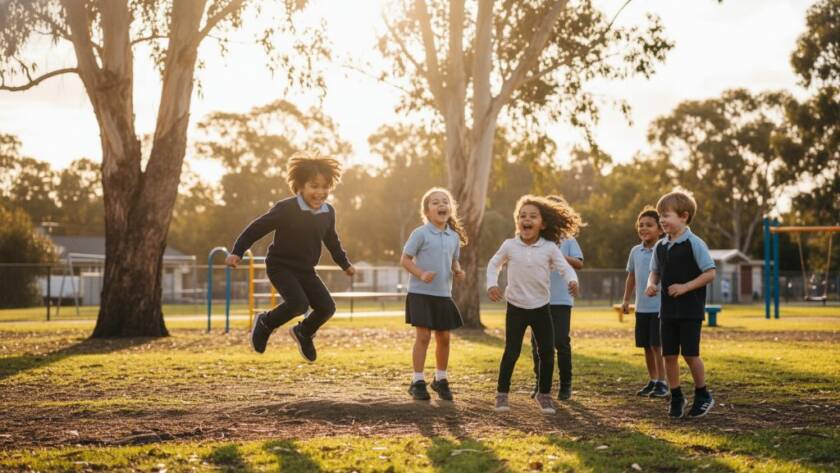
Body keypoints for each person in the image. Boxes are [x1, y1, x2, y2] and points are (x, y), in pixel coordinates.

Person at [225, 152, 355, 362]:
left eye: (325, 187)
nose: (320, 192)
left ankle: (303, 332)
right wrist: (237, 251)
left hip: (305, 270)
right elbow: (257, 229)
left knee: (327, 307)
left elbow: (332, 240)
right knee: (298, 304)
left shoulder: (327, 212)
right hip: (280, 266)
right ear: (300, 186)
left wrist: (344, 264)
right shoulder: (286, 209)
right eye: (314, 186)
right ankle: (265, 323)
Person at [487, 195, 581, 415]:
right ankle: (502, 395)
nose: (526, 219)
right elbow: (493, 265)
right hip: (516, 307)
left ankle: (544, 395)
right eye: (522, 216)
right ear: (517, 221)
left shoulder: (549, 247)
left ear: (543, 224)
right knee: (512, 351)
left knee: (547, 351)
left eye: (532, 216)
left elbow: (564, 268)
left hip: (541, 308)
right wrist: (492, 284)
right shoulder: (510, 245)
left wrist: (572, 280)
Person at [645, 189, 716, 418]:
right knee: (669, 355)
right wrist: (651, 284)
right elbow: (654, 272)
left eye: (666, 215)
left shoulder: (695, 243)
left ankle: (703, 394)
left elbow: (710, 273)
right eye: (660, 216)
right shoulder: (660, 246)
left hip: (690, 311)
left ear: (684, 216)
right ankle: (676, 396)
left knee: (690, 354)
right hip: (667, 311)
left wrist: (685, 287)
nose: (662, 220)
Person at [401, 188, 468, 401]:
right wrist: (421, 274)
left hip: (443, 295)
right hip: (420, 293)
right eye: (435, 202)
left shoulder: (454, 237)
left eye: (445, 202)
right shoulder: (420, 233)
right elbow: (405, 260)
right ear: (427, 211)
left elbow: (454, 259)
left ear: (450, 209)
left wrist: (457, 270)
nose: (441, 205)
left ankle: (440, 379)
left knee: (445, 337)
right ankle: (417, 381)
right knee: (423, 337)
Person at [529, 195, 584, 401]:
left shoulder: (568, 239)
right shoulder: (534, 238)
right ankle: (541, 384)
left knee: (561, 341)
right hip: (536, 300)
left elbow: (579, 263)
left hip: (561, 300)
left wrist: (559, 257)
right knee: (537, 345)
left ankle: (565, 384)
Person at [622, 206, 668, 399]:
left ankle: (663, 383)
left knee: (658, 346)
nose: (644, 228)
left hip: (660, 308)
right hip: (642, 308)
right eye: (641, 225)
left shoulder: (665, 249)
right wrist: (626, 299)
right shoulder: (635, 251)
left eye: (649, 225)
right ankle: (653, 379)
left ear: (660, 229)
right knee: (646, 346)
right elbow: (631, 276)